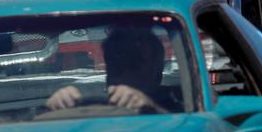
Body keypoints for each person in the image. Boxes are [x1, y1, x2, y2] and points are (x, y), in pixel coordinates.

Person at [46, 28, 176, 114]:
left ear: (156, 71)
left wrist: (150, 107)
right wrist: (52, 108)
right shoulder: (88, 103)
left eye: (134, 64)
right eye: (116, 65)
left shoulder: (179, 102)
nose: (124, 74)